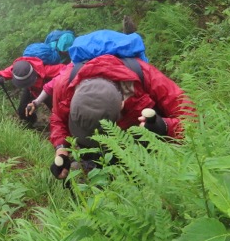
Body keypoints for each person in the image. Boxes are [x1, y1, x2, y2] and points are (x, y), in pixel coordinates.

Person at [48, 54, 196, 179]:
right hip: (102, 150)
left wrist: (164, 126)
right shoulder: (65, 85)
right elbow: (57, 118)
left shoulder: (147, 76)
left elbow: (192, 121)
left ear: (122, 105)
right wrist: (61, 149)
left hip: (141, 142)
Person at [0, 57, 66, 124]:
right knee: (23, 112)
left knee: (58, 113)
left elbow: (66, 70)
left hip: (47, 91)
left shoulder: (46, 70)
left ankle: (65, 128)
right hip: (30, 90)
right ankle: (31, 124)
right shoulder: (16, 70)